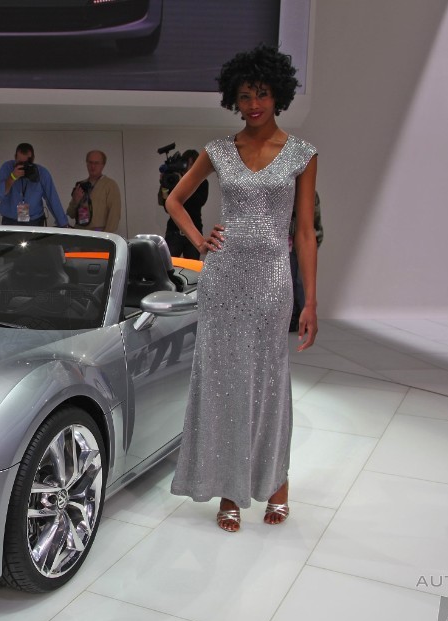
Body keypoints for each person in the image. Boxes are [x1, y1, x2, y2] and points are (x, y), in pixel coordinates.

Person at [165, 46, 318, 532]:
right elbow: (174, 200)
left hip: (272, 278)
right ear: (234, 97)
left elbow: (304, 232)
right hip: (224, 278)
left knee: (269, 380)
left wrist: (311, 300)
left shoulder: (301, 154)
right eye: (246, 95)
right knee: (224, 381)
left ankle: (277, 482)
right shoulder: (218, 150)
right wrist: (198, 240)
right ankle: (230, 487)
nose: (254, 104)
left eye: (263, 94)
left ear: (278, 96)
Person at [0, 143, 69, 227]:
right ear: (15, 157)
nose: (23, 166)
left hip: (34, 221)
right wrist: (12, 177)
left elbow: (52, 198)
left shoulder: (41, 173)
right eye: (20, 162)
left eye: (26, 163)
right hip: (10, 221)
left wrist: (63, 224)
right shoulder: (7, 168)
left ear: (33, 159)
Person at [160, 149, 208, 260]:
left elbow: (199, 202)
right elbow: (167, 206)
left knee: (192, 267)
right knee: (168, 265)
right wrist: (164, 186)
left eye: (193, 164)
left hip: (193, 232)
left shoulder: (203, 182)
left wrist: (184, 184)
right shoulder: (174, 180)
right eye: (188, 164)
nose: (190, 167)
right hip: (174, 231)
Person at [288, 191, 323, 332]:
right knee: (290, 280)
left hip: (300, 244)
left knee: (300, 281)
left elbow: (314, 223)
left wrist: (314, 242)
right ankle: (292, 319)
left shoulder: (310, 195)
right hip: (286, 244)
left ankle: (304, 319)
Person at [66, 149, 121, 233]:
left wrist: (106, 237)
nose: (93, 166)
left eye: (96, 163)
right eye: (90, 162)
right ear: (87, 164)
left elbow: (114, 216)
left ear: (103, 165)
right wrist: (75, 201)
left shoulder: (110, 185)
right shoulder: (81, 185)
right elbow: (70, 214)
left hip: (99, 235)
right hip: (80, 234)